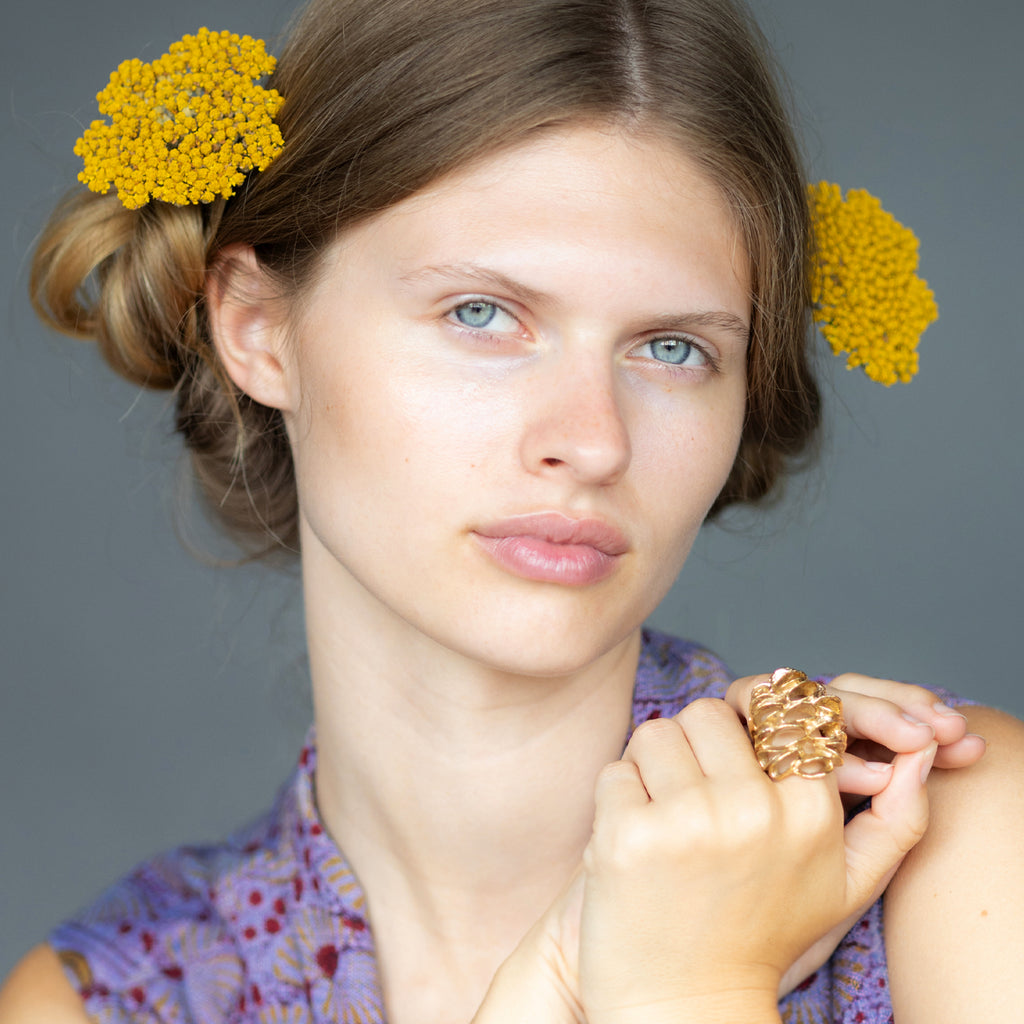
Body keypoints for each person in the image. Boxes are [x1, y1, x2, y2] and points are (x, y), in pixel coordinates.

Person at [1, 0, 1022, 1021]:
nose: (593, 440)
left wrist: (690, 990)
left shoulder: (959, 846)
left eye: (672, 347)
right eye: (481, 314)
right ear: (259, 329)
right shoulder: (113, 1004)